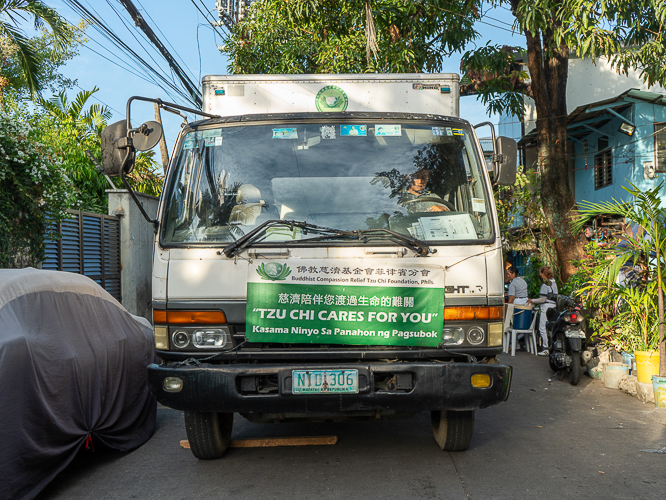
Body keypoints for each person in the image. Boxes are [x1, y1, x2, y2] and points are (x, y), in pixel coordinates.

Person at [528, 266, 558, 356]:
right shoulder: (554, 283)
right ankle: (552, 347)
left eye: (541, 273)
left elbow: (543, 299)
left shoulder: (545, 285)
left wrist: (532, 300)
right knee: (550, 328)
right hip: (553, 307)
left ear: (544, 273)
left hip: (546, 307)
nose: (540, 275)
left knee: (542, 327)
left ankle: (545, 348)